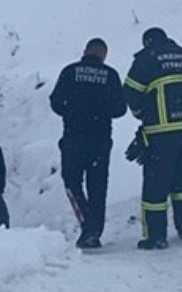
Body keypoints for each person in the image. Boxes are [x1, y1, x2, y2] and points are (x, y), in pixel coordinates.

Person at [124, 28, 182, 250]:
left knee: (155, 182)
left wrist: (143, 114)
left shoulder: (147, 58)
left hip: (163, 130)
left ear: (148, 42)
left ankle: (156, 236)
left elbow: (130, 92)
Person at [48, 38, 128, 249]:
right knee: (98, 186)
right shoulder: (110, 75)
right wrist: (101, 110)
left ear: (85, 51)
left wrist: (72, 111)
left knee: (71, 181)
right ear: (103, 55)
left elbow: (55, 101)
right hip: (100, 139)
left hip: (74, 136)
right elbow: (120, 109)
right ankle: (95, 232)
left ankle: (88, 225)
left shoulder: (70, 71)